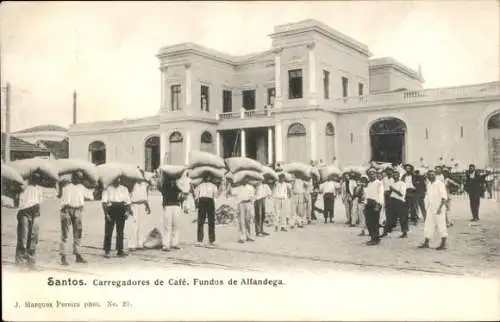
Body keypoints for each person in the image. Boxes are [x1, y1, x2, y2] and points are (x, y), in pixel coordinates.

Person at [58, 171, 93, 266]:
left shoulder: (81, 187)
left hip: (78, 210)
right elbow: (62, 199)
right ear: (72, 178)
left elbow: (91, 196)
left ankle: (78, 255)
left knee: (78, 234)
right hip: (67, 210)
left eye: (79, 178)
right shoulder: (66, 187)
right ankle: (63, 257)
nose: (77, 179)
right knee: (65, 234)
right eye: (76, 177)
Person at [15, 172, 44, 270]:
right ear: (30, 177)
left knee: (33, 238)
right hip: (24, 212)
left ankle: (31, 262)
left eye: (38, 178)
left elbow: (40, 200)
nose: (37, 180)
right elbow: (19, 200)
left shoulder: (39, 188)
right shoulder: (24, 186)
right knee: (23, 238)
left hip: (36, 213)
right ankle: (21, 263)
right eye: (35, 177)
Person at [418, 169, 449, 250]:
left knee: (441, 225)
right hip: (430, 208)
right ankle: (426, 242)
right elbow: (428, 196)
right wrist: (427, 207)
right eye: (429, 175)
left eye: (432, 175)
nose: (431, 176)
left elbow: (444, 197)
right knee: (428, 225)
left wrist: (440, 208)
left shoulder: (440, 184)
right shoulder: (429, 184)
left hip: (439, 208)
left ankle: (443, 243)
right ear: (427, 176)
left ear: (435, 175)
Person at [101, 176, 132, 258]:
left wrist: (127, 212)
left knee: (120, 231)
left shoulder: (124, 189)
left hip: (121, 209)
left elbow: (128, 202)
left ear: (120, 180)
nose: (117, 181)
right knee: (108, 231)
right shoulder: (107, 189)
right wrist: (106, 214)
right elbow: (104, 203)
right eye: (115, 179)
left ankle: (120, 251)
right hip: (111, 209)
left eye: (118, 179)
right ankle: (107, 251)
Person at [128, 170, 151, 251]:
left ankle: (139, 244)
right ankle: (131, 245)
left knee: (141, 225)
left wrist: (148, 206)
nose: (140, 177)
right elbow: (128, 197)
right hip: (134, 205)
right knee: (134, 225)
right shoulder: (132, 184)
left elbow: (146, 197)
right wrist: (129, 207)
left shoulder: (145, 185)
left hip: (142, 205)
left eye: (142, 175)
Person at [194, 174, 219, 246]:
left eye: (208, 177)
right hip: (204, 201)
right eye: (206, 177)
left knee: (210, 221)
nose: (207, 178)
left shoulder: (211, 185)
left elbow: (215, 195)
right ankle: (200, 240)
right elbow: (216, 195)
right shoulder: (200, 185)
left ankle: (211, 240)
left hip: (208, 201)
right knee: (201, 221)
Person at [381, 170, 407, 238]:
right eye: (394, 175)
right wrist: (387, 192)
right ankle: (385, 232)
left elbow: (401, 194)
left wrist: (393, 189)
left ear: (399, 176)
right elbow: (390, 192)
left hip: (400, 202)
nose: (395, 176)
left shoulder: (402, 183)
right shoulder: (392, 183)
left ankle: (404, 232)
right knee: (389, 217)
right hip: (392, 201)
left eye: (396, 175)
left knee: (402, 218)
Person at [230, 177, 256, 243]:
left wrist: (251, 203)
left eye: (246, 180)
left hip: (248, 204)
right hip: (241, 204)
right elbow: (232, 192)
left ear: (248, 180)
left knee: (248, 220)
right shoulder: (238, 188)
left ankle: (248, 236)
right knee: (241, 221)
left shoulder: (250, 187)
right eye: (243, 180)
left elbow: (252, 196)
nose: (245, 181)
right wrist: (230, 184)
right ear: (241, 181)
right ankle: (242, 237)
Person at [364, 168, 384, 245]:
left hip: (375, 204)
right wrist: (365, 203)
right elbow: (367, 194)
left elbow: (380, 194)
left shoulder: (379, 183)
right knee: (369, 222)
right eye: (370, 174)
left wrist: (378, 205)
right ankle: (372, 237)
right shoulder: (369, 184)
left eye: (373, 174)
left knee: (374, 222)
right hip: (368, 203)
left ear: (376, 174)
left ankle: (376, 239)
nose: (371, 175)